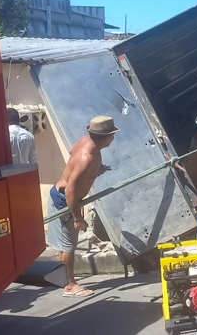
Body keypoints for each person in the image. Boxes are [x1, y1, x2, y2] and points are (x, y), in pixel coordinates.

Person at [47, 115, 118, 297]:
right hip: (65, 200)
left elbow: (73, 154)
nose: (113, 138)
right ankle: (70, 286)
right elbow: (71, 190)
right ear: (104, 137)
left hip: (62, 195)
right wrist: (78, 218)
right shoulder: (88, 157)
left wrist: (95, 171)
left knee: (65, 245)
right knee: (69, 245)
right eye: (112, 135)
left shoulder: (85, 142)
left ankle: (63, 278)